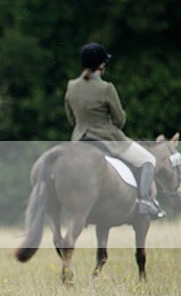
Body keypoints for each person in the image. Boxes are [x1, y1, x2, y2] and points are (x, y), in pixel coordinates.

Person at [65, 42, 164, 218]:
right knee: (148, 159)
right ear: (101, 66)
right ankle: (145, 201)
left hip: (79, 139)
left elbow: (71, 118)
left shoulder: (72, 86)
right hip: (108, 139)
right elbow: (120, 120)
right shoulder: (106, 88)